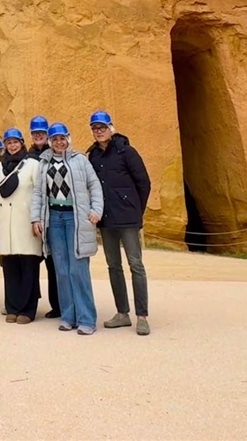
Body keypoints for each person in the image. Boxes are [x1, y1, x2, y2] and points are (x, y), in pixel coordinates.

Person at [31, 122, 103, 335]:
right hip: (54, 218)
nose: (59, 142)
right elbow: (38, 193)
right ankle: (68, 316)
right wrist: (36, 218)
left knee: (78, 269)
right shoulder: (44, 163)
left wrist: (96, 209)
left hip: (75, 217)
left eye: (62, 138)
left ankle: (86, 319)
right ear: (50, 141)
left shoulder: (80, 160)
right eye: (55, 139)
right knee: (61, 270)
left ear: (68, 139)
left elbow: (94, 185)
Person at [87, 110, 153, 336]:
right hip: (107, 219)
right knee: (113, 266)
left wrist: (136, 209)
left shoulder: (127, 152)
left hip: (127, 218)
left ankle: (142, 316)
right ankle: (122, 313)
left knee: (136, 264)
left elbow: (144, 183)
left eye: (102, 127)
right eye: (95, 128)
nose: (99, 131)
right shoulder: (93, 156)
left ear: (110, 128)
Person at [0, 128, 44, 324]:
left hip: (26, 221)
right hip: (6, 221)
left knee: (28, 265)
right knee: (10, 266)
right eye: (8, 142)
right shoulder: (0, 166)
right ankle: (12, 307)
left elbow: (39, 193)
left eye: (15, 142)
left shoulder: (32, 164)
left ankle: (28, 310)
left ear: (21, 143)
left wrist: (37, 219)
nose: (12, 146)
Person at [28, 115, 60, 320]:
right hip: (32, 216)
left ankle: (58, 305)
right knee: (31, 262)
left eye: (41, 133)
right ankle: (30, 303)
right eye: (35, 133)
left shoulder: (54, 154)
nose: (38, 136)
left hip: (51, 215)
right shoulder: (27, 156)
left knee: (53, 263)